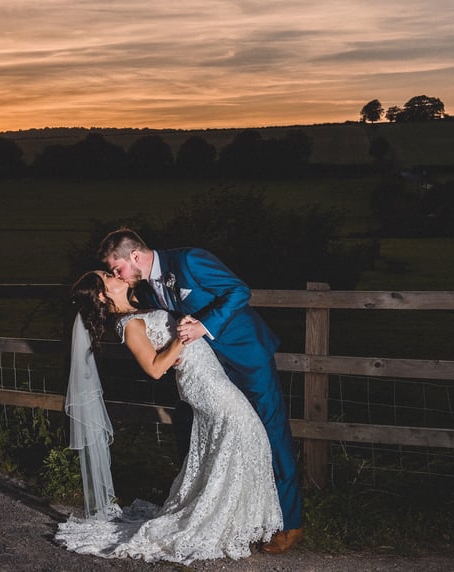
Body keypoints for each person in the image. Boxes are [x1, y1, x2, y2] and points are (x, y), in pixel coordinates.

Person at [97, 228, 304, 554]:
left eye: (117, 268)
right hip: (209, 372)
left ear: (134, 256)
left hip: (246, 356)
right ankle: (236, 515)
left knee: (271, 431)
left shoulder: (189, 260)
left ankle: (290, 523)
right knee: (211, 434)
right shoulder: (147, 290)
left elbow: (239, 291)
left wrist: (204, 326)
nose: (117, 275)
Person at [55, 271, 282, 564]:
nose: (114, 274)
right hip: (204, 384)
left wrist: (178, 334)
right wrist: (180, 340)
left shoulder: (139, 307)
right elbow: (154, 368)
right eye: (107, 276)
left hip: (210, 374)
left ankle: (235, 521)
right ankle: (224, 520)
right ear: (102, 295)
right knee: (248, 431)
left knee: (235, 441)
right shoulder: (128, 324)